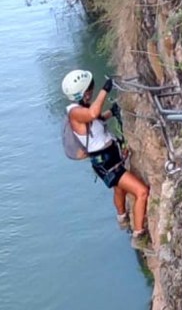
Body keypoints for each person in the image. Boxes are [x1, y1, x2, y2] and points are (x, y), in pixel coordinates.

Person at [61, 69, 149, 248]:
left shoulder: (82, 109)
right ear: (83, 92)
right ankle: (139, 236)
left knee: (119, 189)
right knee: (141, 192)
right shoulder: (75, 113)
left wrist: (112, 111)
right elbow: (93, 114)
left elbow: (97, 119)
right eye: (90, 90)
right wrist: (105, 89)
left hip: (109, 157)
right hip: (106, 162)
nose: (91, 93)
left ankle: (122, 217)